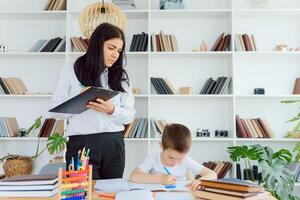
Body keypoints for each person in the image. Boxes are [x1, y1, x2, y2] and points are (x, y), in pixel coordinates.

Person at [50, 23, 135, 179]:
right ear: (97, 44)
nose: (116, 55)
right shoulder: (72, 68)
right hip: (81, 144)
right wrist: (78, 99)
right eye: (111, 48)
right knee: (80, 193)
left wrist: (112, 110)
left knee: (110, 194)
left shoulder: (121, 76)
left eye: (119, 50)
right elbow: (55, 110)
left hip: (113, 143)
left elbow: (130, 115)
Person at [129, 123, 217, 190]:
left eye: (180, 159)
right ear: (162, 146)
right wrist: (160, 179)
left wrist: (200, 181)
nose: (175, 162)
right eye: (171, 158)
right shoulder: (153, 158)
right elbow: (134, 176)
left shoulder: (186, 160)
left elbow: (212, 174)